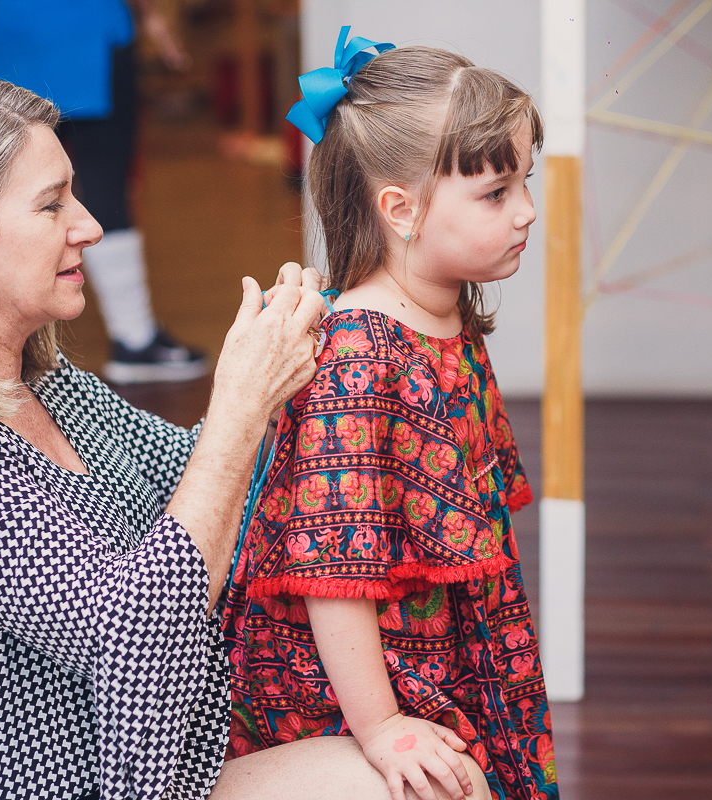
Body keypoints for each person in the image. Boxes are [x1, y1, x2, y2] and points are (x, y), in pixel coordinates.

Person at [0, 75, 487, 800]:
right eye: (52, 204)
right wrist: (241, 402)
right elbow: (135, 634)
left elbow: (199, 477)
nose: (89, 226)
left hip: (166, 762)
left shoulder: (43, 383)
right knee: (435, 786)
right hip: (86, 787)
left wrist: (304, 378)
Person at [222, 30, 556, 800]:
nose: (528, 212)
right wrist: (381, 728)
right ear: (401, 210)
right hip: (356, 685)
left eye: (525, 183)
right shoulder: (358, 358)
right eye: (497, 193)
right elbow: (333, 573)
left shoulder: (443, 319)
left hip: (441, 644)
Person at [0, 0, 207, 384]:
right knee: (105, 186)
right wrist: (154, 17)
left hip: (13, 30)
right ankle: (134, 339)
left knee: (2, 192)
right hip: (89, 32)